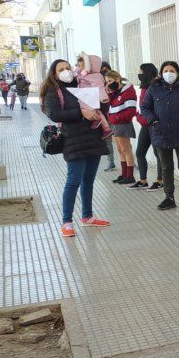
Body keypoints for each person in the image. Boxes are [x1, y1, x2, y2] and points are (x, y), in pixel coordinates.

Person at [40, 59, 111, 237]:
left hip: (93, 138)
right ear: (54, 74)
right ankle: (67, 222)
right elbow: (55, 114)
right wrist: (81, 112)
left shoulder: (83, 83)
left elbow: (102, 107)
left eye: (67, 67)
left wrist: (102, 94)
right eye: (61, 69)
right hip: (73, 141)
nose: (66, 71)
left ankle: (87, 216)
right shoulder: (54, 90)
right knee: (73, 181)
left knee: (89, 180)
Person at [139, 61, 179, 211]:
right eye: (165, 71)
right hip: (161, 134)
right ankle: (169, 198)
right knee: (166, 168)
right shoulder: (154, 88)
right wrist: (153, 120)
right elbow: (144, 107)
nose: (169, 73)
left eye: (172, 70)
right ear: (160, 73)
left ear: (177, 73)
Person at [130, 63, 162, 191]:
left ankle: (160, 181)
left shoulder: (156, 87)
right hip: (145, 125)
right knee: (140, 152)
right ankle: (143, 180)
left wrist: (143, 117)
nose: (139, 74)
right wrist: (139, 116)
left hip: (153, 125)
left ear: (147, 73)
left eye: (140, 72)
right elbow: (142, 107)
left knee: (158, 154)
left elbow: (154, 108)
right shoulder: (144, 87)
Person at [104, 70, 138, 185]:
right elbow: (110, 105)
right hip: (114, 124)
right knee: (119, 149)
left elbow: (131, 111)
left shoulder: (128, 91)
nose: (108, 84)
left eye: (110, 81)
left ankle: (130, 176)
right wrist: (109, 93)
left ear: (117, 79)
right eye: (106, 82)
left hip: (122, 124)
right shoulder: (115, 92)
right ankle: (124, 174)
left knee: (126, 150)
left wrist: (117, 118)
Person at [75, 53, 113, 139]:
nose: (79, 68)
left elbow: (99, 87)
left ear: (89, 66)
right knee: (97, 111)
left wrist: (103, 97)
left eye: (81, 66)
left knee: (90, 109)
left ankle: (99, 121)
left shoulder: (94, 76)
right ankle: (106, 129)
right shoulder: (84, 74)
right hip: (86, 96)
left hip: (89, 96)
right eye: (78, 65)